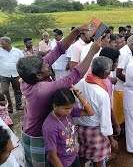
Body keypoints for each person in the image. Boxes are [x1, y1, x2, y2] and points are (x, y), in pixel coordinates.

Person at [16, 25, 100, 166]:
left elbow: (58, 50)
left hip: (36, 127)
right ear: (38, 74)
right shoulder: (40, 90)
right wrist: (92, 52)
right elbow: (74, 75)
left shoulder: (30, 76)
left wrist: (76, 31)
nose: (48, 65)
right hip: (38, 135)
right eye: (45, 66)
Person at [75, 57, 117, 167]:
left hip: (80, 127)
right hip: (95, 129)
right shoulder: (101, 93)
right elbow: (105, 120)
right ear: (105, 73)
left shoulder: (80, 83)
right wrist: (111, 138)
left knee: (82, 154)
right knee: (98, 160)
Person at [42, 87, 94, 167]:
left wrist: (79, 96)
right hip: (61, 162)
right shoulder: (50, 127)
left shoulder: (69, 113)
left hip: (72, 157)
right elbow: (52, 156)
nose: (69, 111)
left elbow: (90, 112)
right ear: (55, 106)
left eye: (71, 108)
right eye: (65, 108)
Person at [115, 35, 133, 124]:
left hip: (126, 87)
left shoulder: (130, 52)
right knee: (120, 112)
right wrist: (130, 82)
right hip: (120, 88)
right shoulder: (124, 53)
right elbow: (118, 73)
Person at [99, 47, 121, 136]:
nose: (117, 64)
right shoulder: (103, 81)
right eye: (116, 62)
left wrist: (111, 80)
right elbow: (107, 107)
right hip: (104, 116)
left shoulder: (101, 71)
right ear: (110, 63)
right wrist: (116, 124)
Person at [0, 36, 24, 113]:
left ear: (8, 43)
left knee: (17, 90)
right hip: (4, 75)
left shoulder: (17, 51)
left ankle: (19, 105)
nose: (1, 45)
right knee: (5, 91)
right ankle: (9, 107)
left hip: (16, 74)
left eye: (3, 44)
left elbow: (22, 62)